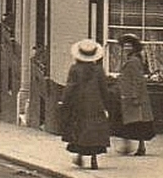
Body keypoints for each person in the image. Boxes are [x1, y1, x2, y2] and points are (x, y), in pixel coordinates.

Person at [58, 38, 112, 169]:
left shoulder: (75, 69)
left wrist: (64, 100)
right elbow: (104, 89)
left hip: (79, 103)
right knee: (94, 131)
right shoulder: (98, 70)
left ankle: (80, 156)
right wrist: (107, 104)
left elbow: (70, 87)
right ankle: (94, 159)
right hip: (95, 104)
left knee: (79, 129)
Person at [112, 34, 156, 156]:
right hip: (127, 96)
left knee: (137, 122)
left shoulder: (133, 61)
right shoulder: (132, 60)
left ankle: (137, 147)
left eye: (129, 46)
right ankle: (131, 146)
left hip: (132, 97)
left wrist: (135, 96)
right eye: (125, 46)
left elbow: (137, 80)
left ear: (134, 47)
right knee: (132, 122)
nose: (126, 48)